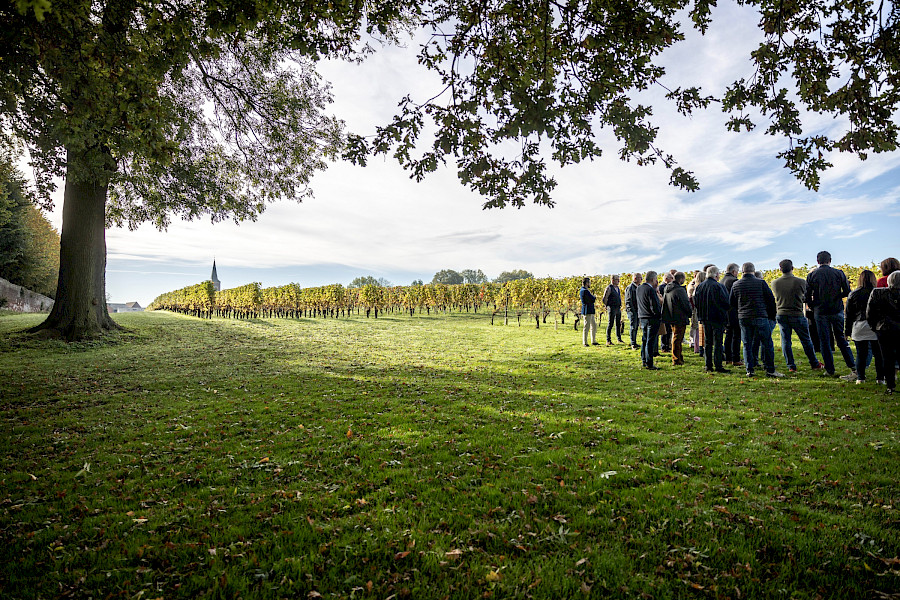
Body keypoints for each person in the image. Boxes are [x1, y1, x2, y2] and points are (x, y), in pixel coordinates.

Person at [806, 251, 856, 378]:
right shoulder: (839, 273)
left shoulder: (812, 275)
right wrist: (836, 297)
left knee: (824, 341)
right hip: (836, 308)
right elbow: (847, 291)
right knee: (841, 338)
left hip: (820, 310)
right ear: (830, 260)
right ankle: (853, 366)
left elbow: (807, 295)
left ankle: (829, 369)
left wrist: (813, 305)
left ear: (818, 261)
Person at [730, 262, 783, 377]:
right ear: (753, 271)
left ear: (742, 271)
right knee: (767, 343)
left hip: (744, 317)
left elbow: (732, 303)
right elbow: (770, 300)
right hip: (760, 315)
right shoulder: (761, 283)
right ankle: (770, 369)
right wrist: (771, 315)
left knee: (747, 344)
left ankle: (750, 369)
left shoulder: (736, 285)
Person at [771, 259, 823, 373]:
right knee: (806, 340)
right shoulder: (801, 282)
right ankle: (814, 363)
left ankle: (791, 366)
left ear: (780, 269)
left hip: (781, 314)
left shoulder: (774, 283)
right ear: (792, 268)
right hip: (797, 314)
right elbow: (806, 295)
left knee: (785, 341)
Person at [845, 270, 884, 385]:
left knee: (861, 354)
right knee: (878, 354)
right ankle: (880, 379)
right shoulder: (879, 292)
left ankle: (860, 378)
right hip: (876, 326)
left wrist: (847, 331)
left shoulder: (853, 294)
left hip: (859, 326)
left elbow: (849, 314)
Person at [866, 270, 900, 395]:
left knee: (887, 357)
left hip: (884, 329)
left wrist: (874, 327)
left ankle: (890, 385)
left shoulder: (877, 293)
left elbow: (870, 313)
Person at [693, 265, 730, 373]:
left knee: (707, 342)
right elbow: (725, 303)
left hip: (705, 317)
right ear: (716, 274)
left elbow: (696, 302)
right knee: (718, 342)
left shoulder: (700, 287)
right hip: (717, 318)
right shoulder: (719, 286)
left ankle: (708, 365)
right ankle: (718, 365)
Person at [661, 272, 692, 366]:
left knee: (676, 337)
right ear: (681, 279)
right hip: (680, 317)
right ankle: (676, 359)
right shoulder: (679, 290)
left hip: (671, 316)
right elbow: (685, 303)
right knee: (677, 338)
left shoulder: (668, 288)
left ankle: (679, 356)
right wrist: (690, 312)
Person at [637, 270, 662, 370]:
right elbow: (654, 305)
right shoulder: (650, 290)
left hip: (642, 316)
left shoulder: (639, 288)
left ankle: (644, 360)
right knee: (650, 341)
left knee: (644, 339)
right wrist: (658, 314)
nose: (657, 282)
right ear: (653, 279)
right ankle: (649, 363)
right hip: (652, 318)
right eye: (656, 280)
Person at [721, 263, 743, 367]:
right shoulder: (734, 281)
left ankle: (728, 357)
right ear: (734, 271)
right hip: (734, 312)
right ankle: (736, 358)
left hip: (725, 312)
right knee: (736, 335)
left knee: (728, 335)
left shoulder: (722, 280)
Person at [687, 269, 706, 356]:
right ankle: (697, 346)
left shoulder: (696, 288)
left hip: (696, 310)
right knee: (697, 328)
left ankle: (698, 346)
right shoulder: (695, 288)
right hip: (698, 310)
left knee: (697, 328)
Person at [602, 275, 624, 345]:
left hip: (618, 307)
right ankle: (608, 340)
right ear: (613, 280)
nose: (618, 281)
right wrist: (608, 305)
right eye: (617, 280)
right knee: (610, 324)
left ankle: (619, 339)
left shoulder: (617, 288)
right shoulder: (609, 288)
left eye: (618, 279)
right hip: (612, 308)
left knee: (618, 324)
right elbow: (604, 298)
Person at [624, 272, 642, 349]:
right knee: (633, 326)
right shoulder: (630, 288)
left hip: (638, 310)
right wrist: (632, 311)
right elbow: (628, 301)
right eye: (640, 278)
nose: (641, 279)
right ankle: (633, 343)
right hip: (632, 311)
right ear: (635, 279)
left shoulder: (639, 287)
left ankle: (634, 342)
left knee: (636, 326)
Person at [579, 277, 599, 347]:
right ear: (587, 283)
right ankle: (585, 342)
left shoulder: (584, 290)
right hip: (587, 310)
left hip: (589, 310)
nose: (590, 284)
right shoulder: (585, 291)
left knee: (593, 325)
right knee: (586, 326)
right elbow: (592, 299)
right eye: (589, 282)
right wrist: (594, 297)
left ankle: (593, 340)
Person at [658, 272, 674, 353]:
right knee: (665, 330)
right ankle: (664, 346)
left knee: (669, 329)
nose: (673, 280)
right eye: (671, 278)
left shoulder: (668, 286)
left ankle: (668, 345)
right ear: (667, 279)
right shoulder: (662, 287)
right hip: (664, 311)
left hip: (669, 311)